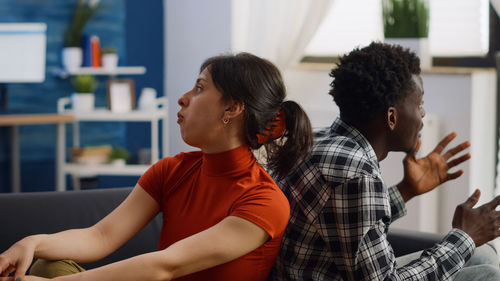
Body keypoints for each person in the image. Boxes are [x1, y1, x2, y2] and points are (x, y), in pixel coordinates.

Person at [0, 52, 313, 281]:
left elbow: (167, 265)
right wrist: (32, 243)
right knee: (45, 264)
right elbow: (101, 237)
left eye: (200, 88)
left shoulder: (265, 201)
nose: (182, 98)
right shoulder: (171, 170)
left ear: (232, 108)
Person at [268, 42, 500, 281]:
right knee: (487, 273)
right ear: (391, 117)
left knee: (482, 255)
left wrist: (406, 190)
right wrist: (464, 236)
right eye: (419, 104)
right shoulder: (356, 173)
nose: (423, 115)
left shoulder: (318, 139)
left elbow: (345, 220)